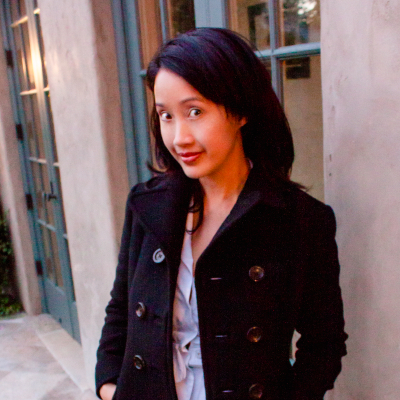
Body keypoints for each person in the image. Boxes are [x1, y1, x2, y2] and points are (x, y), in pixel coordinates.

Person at [95, 28, 347, 400]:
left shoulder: (299, 221)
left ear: (241, 110)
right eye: (166, 115)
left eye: (195, 112)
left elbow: (324, 344)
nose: (179, 137)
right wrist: (109, 387)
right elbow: (121, 310)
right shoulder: (147, 205)